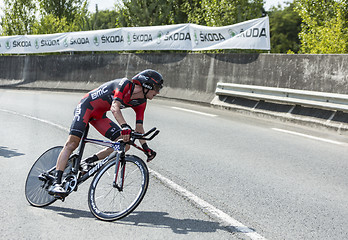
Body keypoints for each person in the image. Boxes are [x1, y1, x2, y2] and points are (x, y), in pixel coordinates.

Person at [48, 69, 163, 196]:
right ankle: (56, 183)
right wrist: (124, 126)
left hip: (99, 116)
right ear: (147, 85)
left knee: (124, 145)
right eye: (157, 88)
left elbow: (139, 127)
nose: (158, 92)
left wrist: (146, 148)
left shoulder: (141, 102)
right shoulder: (125, 84)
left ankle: (87, 162)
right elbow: (115, 107)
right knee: (72, 144)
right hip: (86, 107)